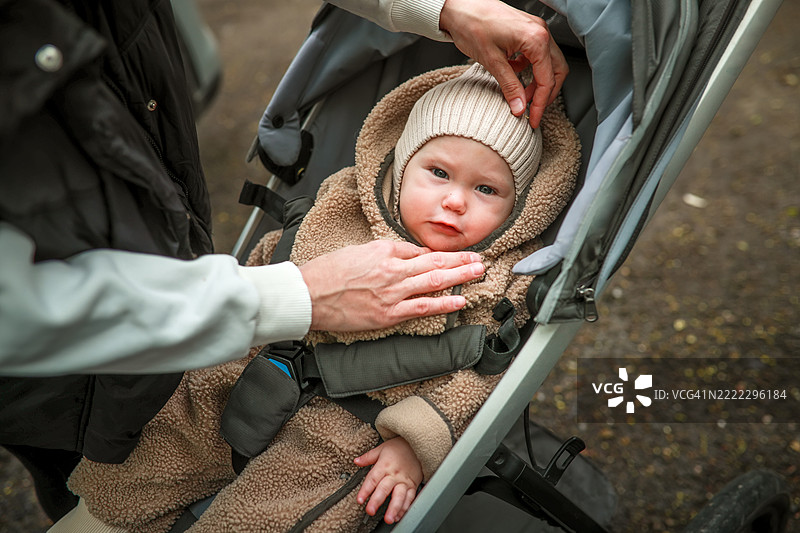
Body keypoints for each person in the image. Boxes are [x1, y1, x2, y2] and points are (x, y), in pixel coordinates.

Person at [0, 0, 568, 524]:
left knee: (283, 509)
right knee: (155, 446)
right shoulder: (340, 211)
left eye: (487, 190)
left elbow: (479, 380)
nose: (454, 200)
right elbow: (273, 255)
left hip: (353, 423)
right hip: (256, 358)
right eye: (438, 173)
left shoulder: (496, 281)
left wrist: (415, 443)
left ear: (521, 207)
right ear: (399, 168)